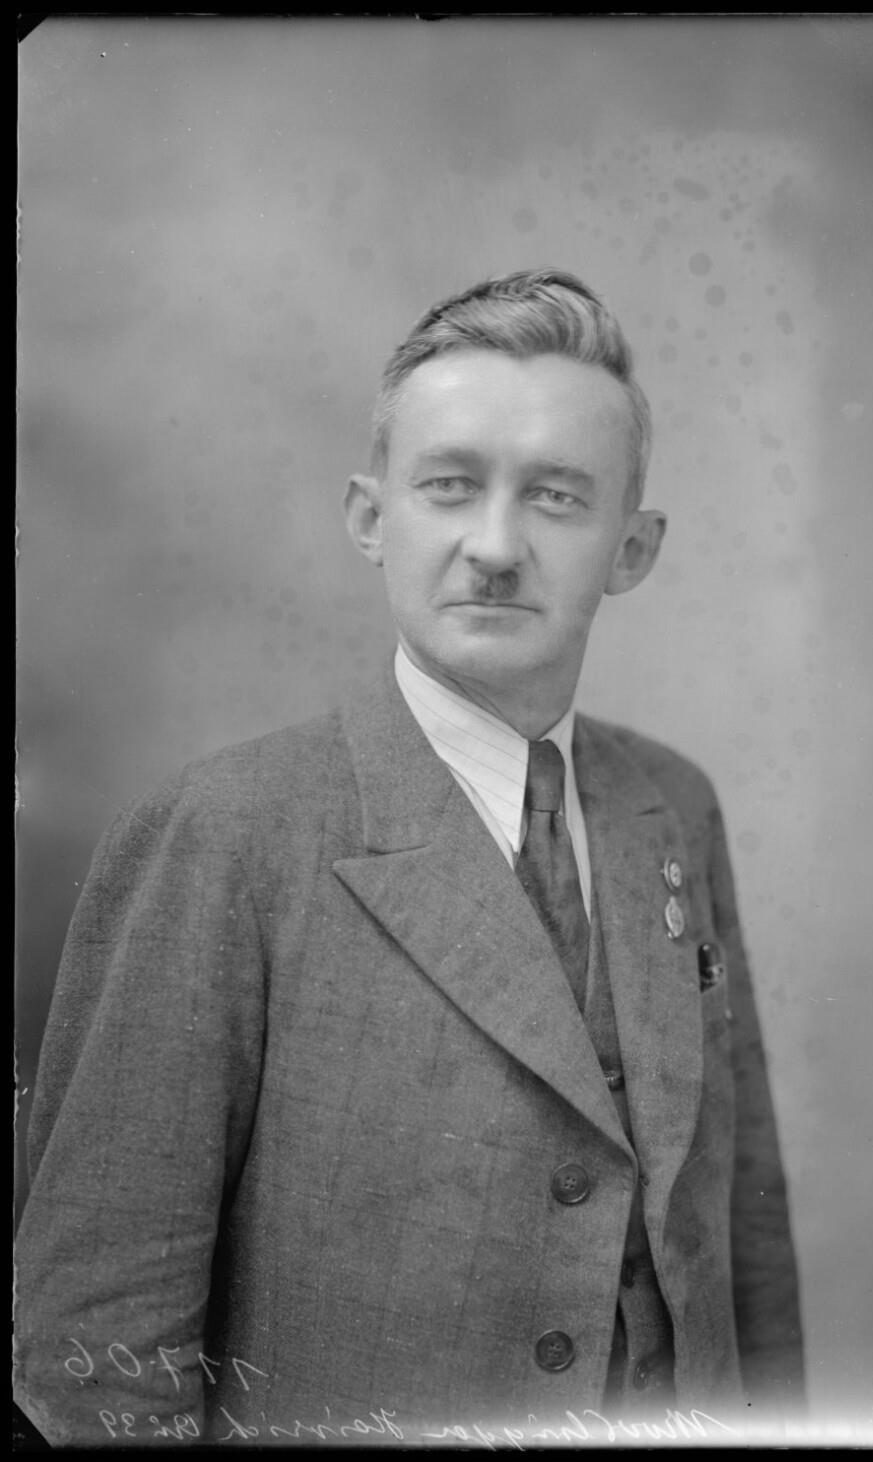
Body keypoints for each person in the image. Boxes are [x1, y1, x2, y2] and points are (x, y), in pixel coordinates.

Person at [14, 268, 805, 1446]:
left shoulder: (670, 806)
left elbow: (742, 1235)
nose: (494, 546)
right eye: (449, 486)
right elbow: (97, 1344)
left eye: (556, 497)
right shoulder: (223, 831)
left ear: (631, 547)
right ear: (370, 517)